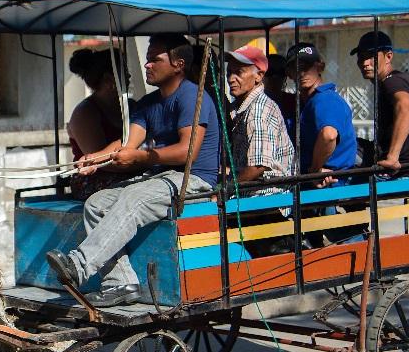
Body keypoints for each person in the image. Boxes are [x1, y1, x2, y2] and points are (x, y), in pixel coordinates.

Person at [46, 33, 220, 307]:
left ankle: (79, 265)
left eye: (155, 60)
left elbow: (188, 152)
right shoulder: (148, 103)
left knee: (133, 198)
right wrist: (96, 158)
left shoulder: (192, 96)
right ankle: (121, 282)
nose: (147, 65)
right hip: (161, 178)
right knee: (95, 203)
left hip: (194, 180)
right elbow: (127, 143)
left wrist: (141, 158)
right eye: (147, 59)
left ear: (179, 64)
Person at [351, 31, 409, 176]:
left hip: (406, 166)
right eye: (361, 58)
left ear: (388, 57)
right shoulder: (390, 82)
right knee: (346, 142)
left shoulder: (392, 80)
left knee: (339, 148)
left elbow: (406, 106)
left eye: (371, 57)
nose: (365, 63)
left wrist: (392, 158)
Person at [226, 45, 296, 197]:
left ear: (258, 76)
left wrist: (229, 188)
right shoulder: (243, 107)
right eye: (229, 72)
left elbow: (258, 165)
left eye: (239, 72)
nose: (231, 78)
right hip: (251, 194)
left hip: (265, 198)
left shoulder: (259, 110)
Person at [66, 48, 135, 199]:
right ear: (109, 79)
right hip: (94, 180)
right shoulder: (85, 113)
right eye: (124, 71)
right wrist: (146, 162)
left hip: (130, 171)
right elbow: (104, 163)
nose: (129, 76)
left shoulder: (132, 106)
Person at [285, 42, 357, 187]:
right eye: (296, 67)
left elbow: (329, 135)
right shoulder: (304, 102)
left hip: (329, 184)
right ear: (289, 73)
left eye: (307, 66)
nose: (302, 72)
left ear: (320, 68)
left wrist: (315, 170)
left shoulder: (324, 98)